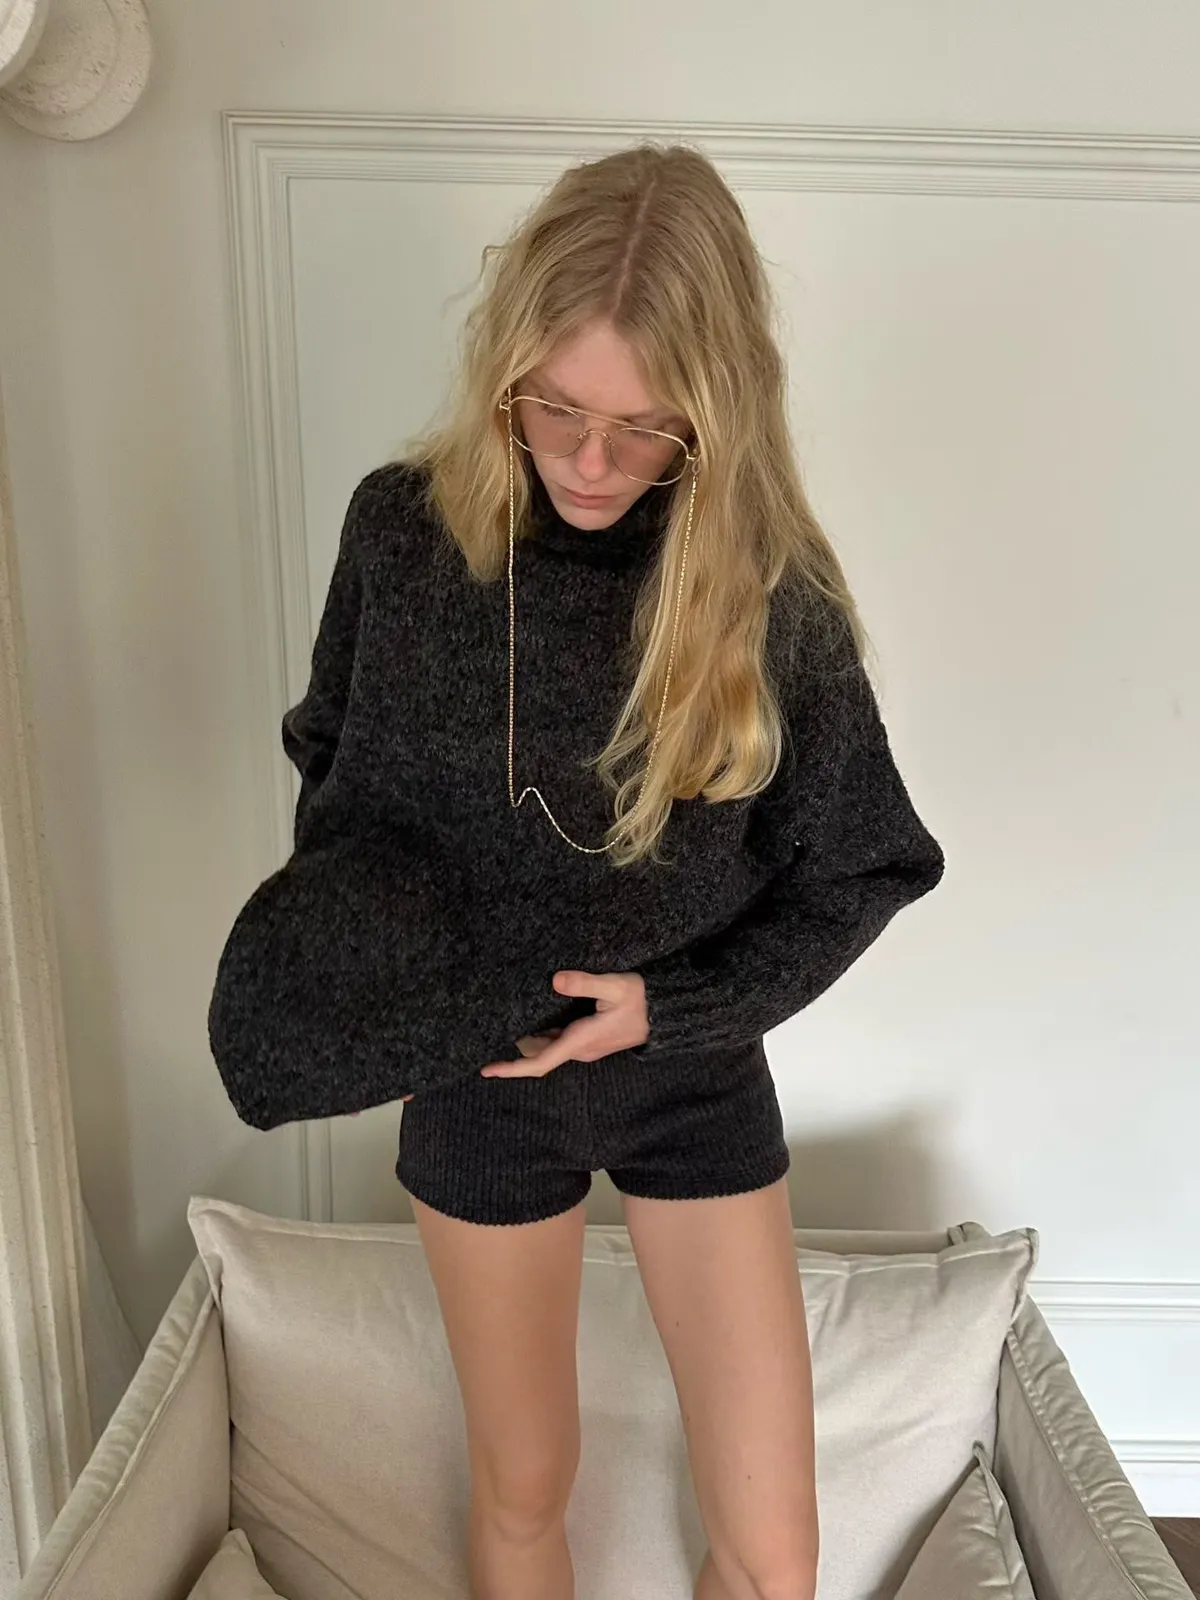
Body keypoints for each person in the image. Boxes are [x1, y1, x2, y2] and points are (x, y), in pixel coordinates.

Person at [272, 143, 944, 1600]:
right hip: (481, 1081)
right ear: (503, 371)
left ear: (717, 416)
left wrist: (672, 1010)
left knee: (775, 1548)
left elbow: (870, 864)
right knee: (525, 1487)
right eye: (556, 409)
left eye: (645, 430)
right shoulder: (403, 534)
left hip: (691, 1076)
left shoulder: (770, 595)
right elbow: (331, 762)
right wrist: (380, 964)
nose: (588, 462)